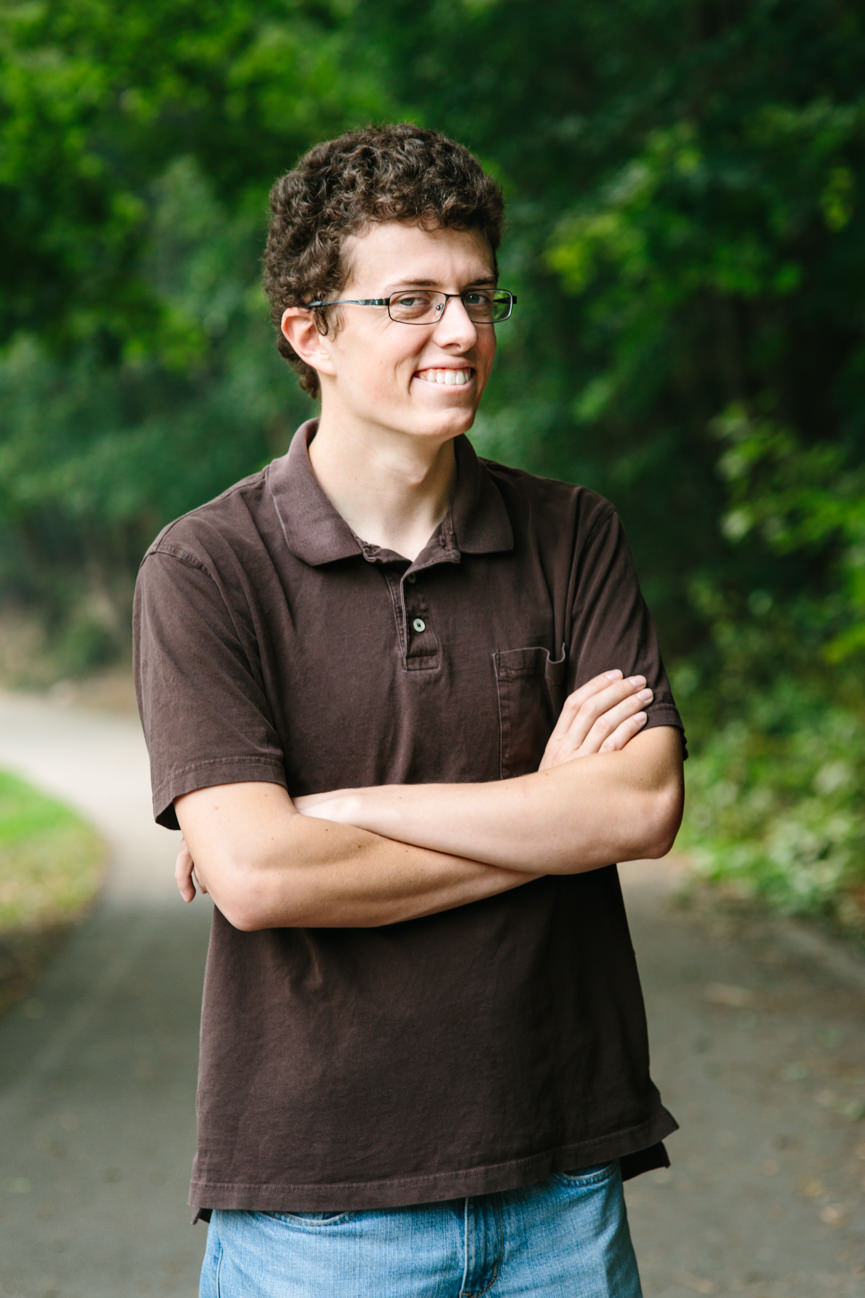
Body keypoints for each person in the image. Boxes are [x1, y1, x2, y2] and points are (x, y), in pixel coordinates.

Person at [133, 123, 686, 1298]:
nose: (460, 332)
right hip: (317, 1212)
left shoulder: (573, 533)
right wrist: (546, 816)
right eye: (412, 300)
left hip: (563, 1183)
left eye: (480, 296)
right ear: (310, 332)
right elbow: (266, 877)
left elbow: (637, 807)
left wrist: (342, 807)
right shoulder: (204, 568)